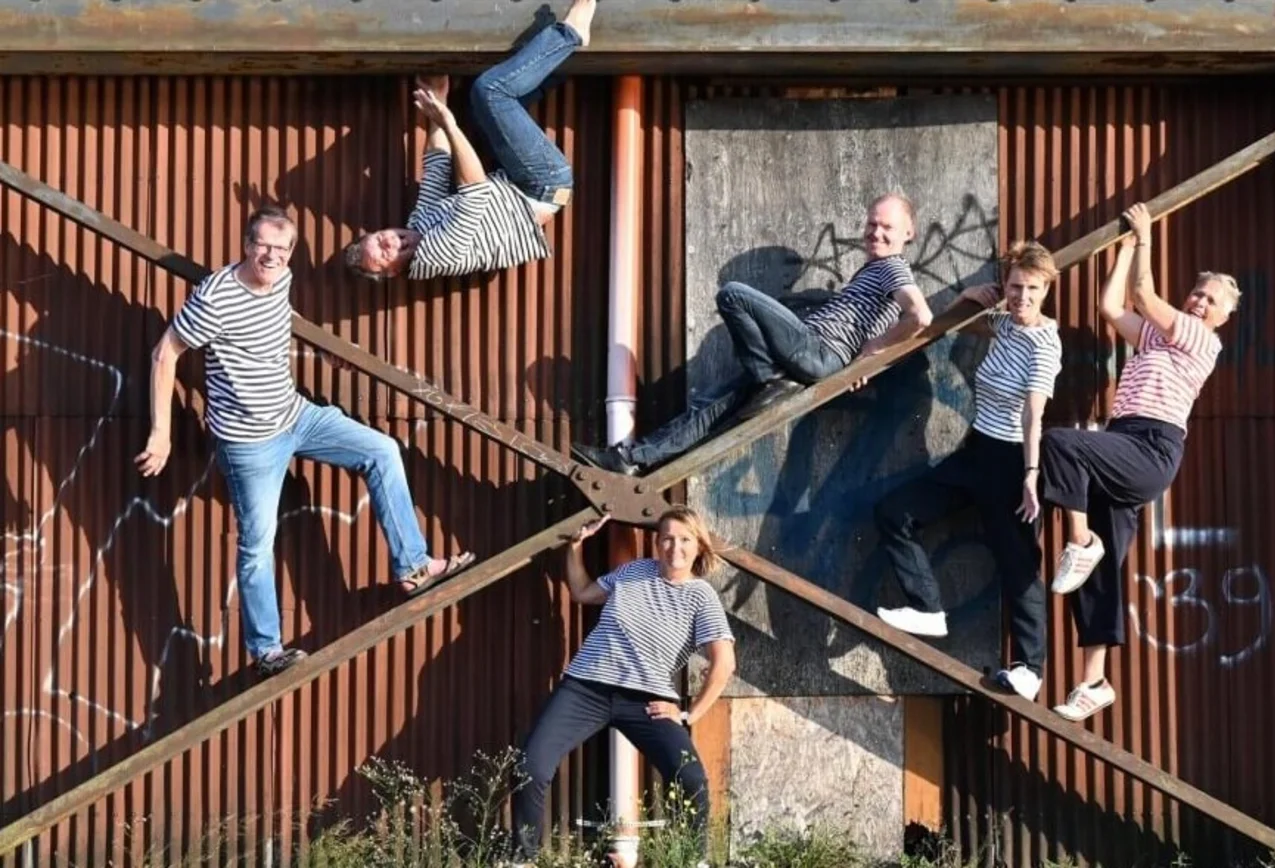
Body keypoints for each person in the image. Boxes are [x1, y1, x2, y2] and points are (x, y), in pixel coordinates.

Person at [136, 207, 476, 678]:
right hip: (248, 442)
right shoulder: (216, 296)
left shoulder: (283, 277)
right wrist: (161, 433)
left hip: (296, 415)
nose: (271, 256)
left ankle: (412, 567)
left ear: (290, 251)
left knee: (381, 451)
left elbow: (281, 316)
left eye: (281, 248)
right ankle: (267, 651)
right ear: (245, 244)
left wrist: (319, 351)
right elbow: (164, 353)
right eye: (263, 247)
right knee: (257, 543)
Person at [571, 193, 933, 475]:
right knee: (709, 409)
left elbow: (921, 316)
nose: (876, 233)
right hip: (805, 357)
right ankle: (631, 459)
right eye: (872, 224)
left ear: (908, 233)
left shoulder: (892, 268)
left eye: (887, 226)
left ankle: (767, 375)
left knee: (732, 295)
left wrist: (872, 350)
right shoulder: (871, 273)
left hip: (816, 351)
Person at [1042, 203, 1237, 721]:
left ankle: (1080, 541)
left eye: (1211, 300)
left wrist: (1147, 237)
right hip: (1125, 441)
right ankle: (1094, 682)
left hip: (1151, 448)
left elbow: (1144, 296)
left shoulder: (1201, 340)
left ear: (1222, 317)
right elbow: (1112, 307)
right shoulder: (1159, 336)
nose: (1199, 302)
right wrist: (1126, 247)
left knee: (1061, 444)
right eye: (1197, 292)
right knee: (1102, 576)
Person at [871, 241, 1063, 702]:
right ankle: (928, 608)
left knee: (1018, 565)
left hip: (1011, 462)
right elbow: (943, 330)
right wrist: (964, 298)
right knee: (893, 511)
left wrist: (1031, 474)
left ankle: (1030, 670)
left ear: (1046, 289)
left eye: (1032, 289)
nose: (1022, 297)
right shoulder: (1004, 324)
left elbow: (1033, 415)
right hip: (974, 451)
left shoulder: (1044, 343)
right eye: (1015, 287)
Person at [511, 507, 736, 866]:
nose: (673, 547)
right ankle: (522, 859)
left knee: (691, 778)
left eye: (684, 540)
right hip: (586, 688)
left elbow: (724, 663)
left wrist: (688, 713)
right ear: (656, 541)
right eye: (666, 538)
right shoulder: (633, 572)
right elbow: (583, 592)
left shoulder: (701, 596)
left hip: (648, 700)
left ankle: (693, 861)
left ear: (698, 547)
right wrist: (574, 548)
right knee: (531, 766)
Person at [344, 0, 597, 281]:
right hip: (543, 184)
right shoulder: (436, 256)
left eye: (380, 238)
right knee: (490, 92)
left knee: (479, 113)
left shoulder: (418, 225)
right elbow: (475, 191)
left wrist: (437, 100)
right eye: (384, 255)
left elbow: (438, 166)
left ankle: (557, 61)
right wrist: (447, 122)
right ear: (392, 272)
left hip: (515, 180)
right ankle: (570, 34)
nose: (390, 242)